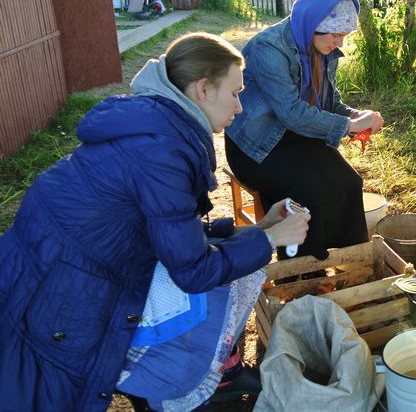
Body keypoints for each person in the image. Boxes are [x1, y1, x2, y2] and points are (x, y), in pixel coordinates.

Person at [0, 32, 310, 411]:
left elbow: (168, 235)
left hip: (48, 261)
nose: (240, 107)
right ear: (203, 89)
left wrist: (261, 230)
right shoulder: (163, 151)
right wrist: (269, 242)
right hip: (63, 286)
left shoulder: (159, 125)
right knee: (53, 391)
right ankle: (168, 390)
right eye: (234, 92)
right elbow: (193, 270)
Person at [225, 0, 384, 262]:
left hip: (297, 137)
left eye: (344, 36)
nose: (340, 43)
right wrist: (348, 126)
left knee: (348, 182)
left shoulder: (322, 49)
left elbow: (329, 103)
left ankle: (350, 265)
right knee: (307, 193)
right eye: (336, 35)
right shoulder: (268, 49)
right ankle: (304, 275)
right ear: (312, 24)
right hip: (258, 146)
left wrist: (355, 116)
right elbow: (292, 113)